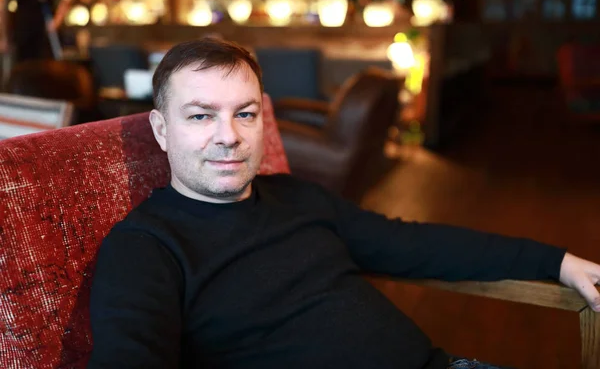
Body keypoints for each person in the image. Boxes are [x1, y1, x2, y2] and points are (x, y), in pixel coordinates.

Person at [88, 38, 600, 369]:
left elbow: (416, 243)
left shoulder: (298, 198)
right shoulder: (145, 247)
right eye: (201, 117)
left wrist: (556, 262)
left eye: (245, 114)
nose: (230, 137)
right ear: (161, 129)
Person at [0, 0, 71, 62]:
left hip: (44, 34)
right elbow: (4, 8)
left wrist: (56, 21)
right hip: (21, 33)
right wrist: (5, 37)